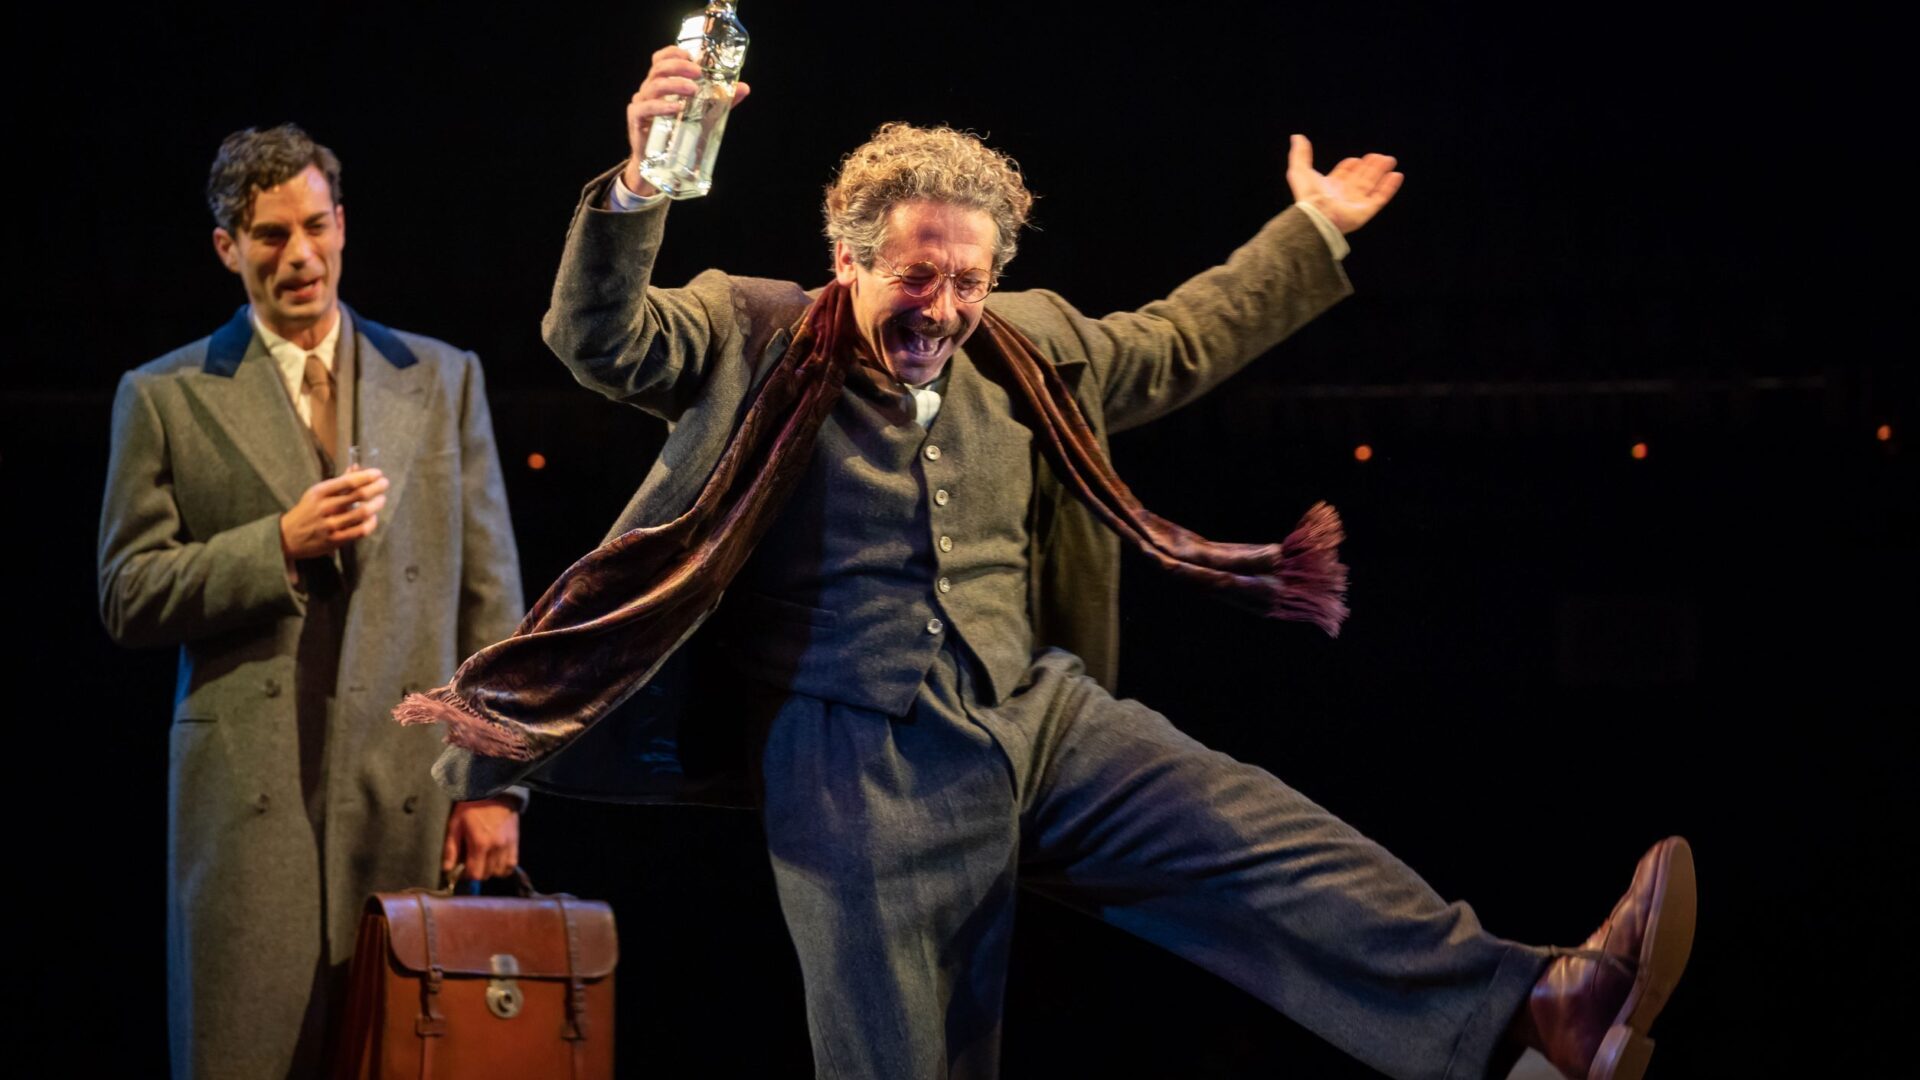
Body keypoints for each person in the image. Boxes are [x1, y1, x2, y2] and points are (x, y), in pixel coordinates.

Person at [413, 48, 1695, 1080]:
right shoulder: (749, 329)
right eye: (920, 274)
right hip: (852, 758)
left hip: (1031, 716)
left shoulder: (1018, 349)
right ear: (848, 253)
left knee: (1257, 837)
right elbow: (602, 337)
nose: (945, 308)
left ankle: (1539, 999)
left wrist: (1309, 236)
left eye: (969, 280)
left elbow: (1175, 341)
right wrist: (641, 186)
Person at [98, 124, 527, 1079]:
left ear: (342, 225)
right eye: (269, 236)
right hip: (252, 807)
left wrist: (494, 786)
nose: (299, 257)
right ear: (228, 248)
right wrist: (276, 546)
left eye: (315, 227)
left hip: (406, 795)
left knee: (400, 1057)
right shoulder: (165, 395)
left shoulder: (443, 377)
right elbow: (125, 593)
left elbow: (492, 601)